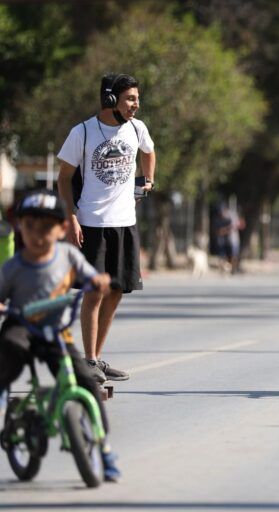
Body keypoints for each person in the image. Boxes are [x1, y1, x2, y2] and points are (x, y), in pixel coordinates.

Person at [0, 190, 121, 481]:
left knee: (88, 383)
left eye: (46, 228)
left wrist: (98, 280)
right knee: (10, 348)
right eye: (30, 227)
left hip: (55, 332)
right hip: (22, 326)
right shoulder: (13, 267)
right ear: (20, 228)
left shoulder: (67, 255)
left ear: (62, 229)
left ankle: (104, 450)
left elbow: (89, 276)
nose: (38, 235)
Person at [57, 73, 155, 383]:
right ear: (110, 99)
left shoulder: (137, 129)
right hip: (92, 223)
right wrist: (70, 216)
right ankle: (87, 359)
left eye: (137, 98)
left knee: (116, 292)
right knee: (96, 290)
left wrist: (148, 181)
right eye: (129, 98)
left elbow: (149, 151)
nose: (135, 104)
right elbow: (63, 178)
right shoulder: (82, 133)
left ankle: (95, 359)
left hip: (125, 222)